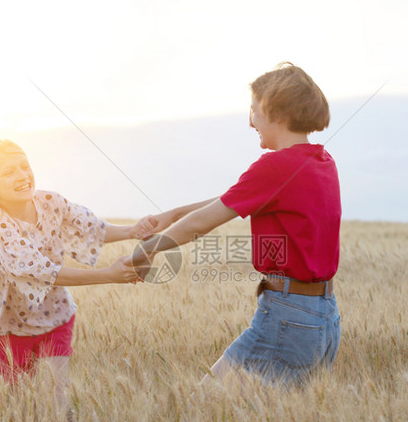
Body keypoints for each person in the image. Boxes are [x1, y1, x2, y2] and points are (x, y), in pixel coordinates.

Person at [131, 62, 341, 387]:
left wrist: (149, 248)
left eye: (255, 110)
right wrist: (172, 215)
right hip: (323, 315)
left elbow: (205, 220)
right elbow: (235, 198)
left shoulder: (275, 166)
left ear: (278, 113)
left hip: (288, 316)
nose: (250, 121)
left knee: (207, 406)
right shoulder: (321, 161)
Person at [0, 139, 153, 410]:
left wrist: (133, 231)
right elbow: (39, 272)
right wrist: (109, 275)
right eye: (8, 172)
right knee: (17, 404)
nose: (21, 175)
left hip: (56, 314)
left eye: (24, 166)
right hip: (9, 325)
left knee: (59, 396)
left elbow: (91, 228)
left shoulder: (50, 201)